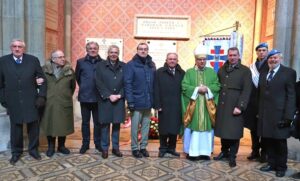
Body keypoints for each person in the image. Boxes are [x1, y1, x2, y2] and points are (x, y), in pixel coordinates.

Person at [0, 39, 47, 165]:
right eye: (14, 46)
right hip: (13, 101)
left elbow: (42, 79)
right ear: (11, 48)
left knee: (33, 126)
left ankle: (33, 150)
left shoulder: (33, 60)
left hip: (31, 100)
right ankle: (16, 152)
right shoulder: (3, 61)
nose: (17, 49)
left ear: (23, 48)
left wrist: (41, 96)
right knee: (16, 128)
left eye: (19, 46)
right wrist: (3, 100)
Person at [258, 49, 296, 177]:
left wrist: (288, 117)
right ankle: (271, 163)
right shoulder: (263, 73)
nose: (272, 60)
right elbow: (261, 95)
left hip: (280, 115)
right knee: (268, 141)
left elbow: (291, 96)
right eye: (270, 58)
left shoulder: (289, 73)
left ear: (280, 58)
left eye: (275, 58)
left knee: (280, 143)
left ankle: (281, 167)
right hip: (266, 115)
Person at [214, 47, 252, 167]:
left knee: (234, 132)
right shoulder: (221, 69)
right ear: (227, 56)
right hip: (223, 105)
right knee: (223, 130)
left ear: (239, 56)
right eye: (230, 55)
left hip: (235, 105)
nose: (232, 57)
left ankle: (232, 156)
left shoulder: (245, 70)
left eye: (234, 55)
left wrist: (240, 106)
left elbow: (247, 90)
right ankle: (224, 152)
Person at [181, 51, 220, 161]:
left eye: (203, 59)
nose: (202, 61)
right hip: (194, 106)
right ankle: (191, 152)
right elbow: (184, 86)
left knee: (207, 130)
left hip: (207, 106)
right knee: (192, 129)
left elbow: (217, 85)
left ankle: (205, 152)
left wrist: (207, 89)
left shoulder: (212, 72)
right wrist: (197, 89)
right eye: (199, 59)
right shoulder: (189, 72)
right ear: (196, 60)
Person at [40, 50, 76, 157]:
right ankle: (51, 147)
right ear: (53, 59)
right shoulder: (44, 70)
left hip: (63, 102)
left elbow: (72, 87)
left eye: (63, 56)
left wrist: (65, 95)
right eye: (60, 57)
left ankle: (61, 146)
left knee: (63, 125)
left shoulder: (69, 70)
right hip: (49, 102)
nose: (63, 59)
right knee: (50, 125)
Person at [124, 42, 156, 158]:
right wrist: (130, 101)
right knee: (135, 127)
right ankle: (134, 148)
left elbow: (154, 84)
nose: (143, 51)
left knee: (146, 127)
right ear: (137, 51)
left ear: (147, 51)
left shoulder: (151, 65)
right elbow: (127, 84)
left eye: (145, 49)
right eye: (141, 49)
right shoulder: (131, 65)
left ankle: (143, 147)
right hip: (136, 101)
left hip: (148, 102)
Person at [95, 45, 125, 159]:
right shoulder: (100, 65)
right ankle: (105, 149)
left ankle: (116, 148)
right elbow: (98, 82)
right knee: (105, 126)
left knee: (116, 125)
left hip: (119, 100)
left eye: (116, 52)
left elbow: (126, 83)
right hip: (105, 100)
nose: (113, 54)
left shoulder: (124, 66)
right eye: (111, 52)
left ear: (118, 53)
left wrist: (119, 95)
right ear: (108, 53)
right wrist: (108, 95)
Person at [154, 53, 185, 158]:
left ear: (177, 61)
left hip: (177, 105)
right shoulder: (159, 72)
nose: (172, 61)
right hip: (163, 105)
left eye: (174, 59)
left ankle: (172, 148)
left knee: (174, 128)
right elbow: (156, 89)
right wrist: (157, 104)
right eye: (170, 59)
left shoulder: (182, 73)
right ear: (166, 60)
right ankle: (162, 148)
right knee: (163, 128)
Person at [75, 41, 102, 154]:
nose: (92, 50)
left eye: (95, 48)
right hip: (85, 97)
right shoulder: (80, 62)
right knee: (85, 122)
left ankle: (98, 143)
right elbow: (78, 77)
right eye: (90, 48)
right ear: (87, 49)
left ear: (98, 49)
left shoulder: (103, 63)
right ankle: (85, 144)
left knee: (98, 122)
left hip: (99, 98)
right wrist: (85, 87)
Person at [244, 43, 269, 162]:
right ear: (256, 52)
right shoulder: (252, 66)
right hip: (253, 102)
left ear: (267, 52)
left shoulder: (270, 65)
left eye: (264, 50)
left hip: (265, 102)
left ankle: (265, 153)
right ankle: (255, 151)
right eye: (259, 50)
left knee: (264, 129)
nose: (261, 52)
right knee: (253, 129)